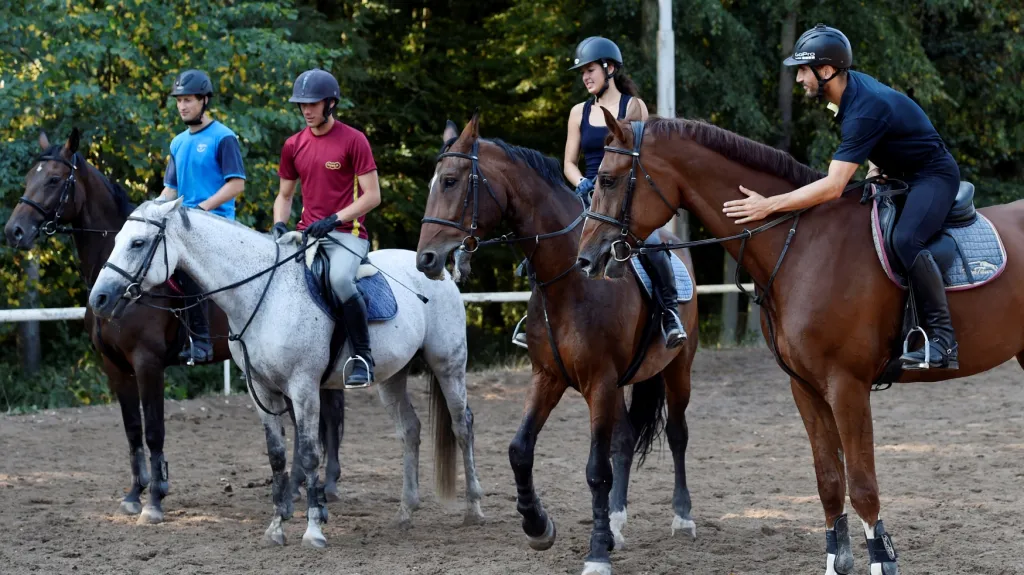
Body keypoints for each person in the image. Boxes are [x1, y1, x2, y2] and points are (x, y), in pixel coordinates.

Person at [723, 23, 960, 370]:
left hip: (932, 176)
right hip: (901, 174)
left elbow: (833, 186)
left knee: (907, 239)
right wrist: (878, 166)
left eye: (803, 70)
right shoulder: (849, 94)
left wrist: (768, 205)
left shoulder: (863, 108)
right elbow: (884, 133)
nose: (800, 78)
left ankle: (942, 340)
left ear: (827, 71)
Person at [513, 36, 687, 350]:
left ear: (609, 68)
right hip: (586, 193)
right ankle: (535, 318)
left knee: (653, 243)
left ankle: (669, 314)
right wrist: (581, 180)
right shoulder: (578, 112)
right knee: (544, 243)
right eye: (582, 72)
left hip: (622, 195)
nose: (585, 77)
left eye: (590, 69)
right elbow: (568, 162)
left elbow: (643, 157)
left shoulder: (633, 107)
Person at [272, 68, 382, 388]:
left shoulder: (354, 140)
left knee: (339, 279)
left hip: (348, 234)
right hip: (307, 234)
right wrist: (279, 223)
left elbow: (373, 196)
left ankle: (363, 356)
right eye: (302, 105)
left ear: (330, 104)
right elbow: (285, 195)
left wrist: (334, 219)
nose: (307, 110)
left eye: (314, 104)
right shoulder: (293, 145)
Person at [159, 69, 246, 364]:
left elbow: (236, 184)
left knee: (185, 266)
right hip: (185, 224)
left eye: (188, 100)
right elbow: (170, 189)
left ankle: (203, 342)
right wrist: (150, 210)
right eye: (179, 101)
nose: (182, 106)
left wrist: (203, 208)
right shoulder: (178, 143)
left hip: (216, 223)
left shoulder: (223, 137)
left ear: (204, 101)